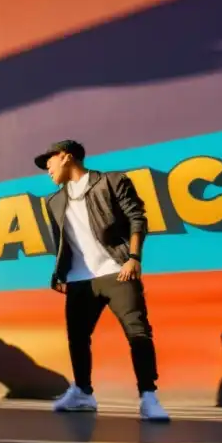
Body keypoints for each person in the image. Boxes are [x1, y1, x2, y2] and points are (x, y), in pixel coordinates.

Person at [36, 139, 169, 421]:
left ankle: (148, 396)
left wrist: (134, 258)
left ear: (67, 157)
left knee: (138, 333)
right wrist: (59, 273)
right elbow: (61, 241)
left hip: (116, 271)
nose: (46, 168)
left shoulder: (111, 181)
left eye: (49, 160)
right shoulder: (54, 201)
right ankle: (83, 393)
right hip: (79, 280)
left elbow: (137, 218)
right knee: (77, 338)